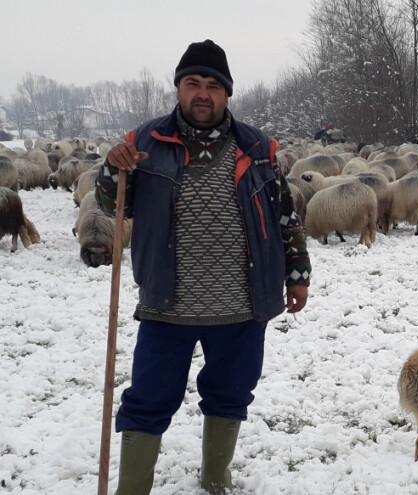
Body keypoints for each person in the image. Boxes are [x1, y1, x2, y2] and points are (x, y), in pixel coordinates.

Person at [95, 39, 311, 494]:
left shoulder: (258, 147)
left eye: (213, 85)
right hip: (166, 302)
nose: (202, 93)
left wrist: (297, 274)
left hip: (242, 303)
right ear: (178, 88)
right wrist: (114, 168)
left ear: (227, 93)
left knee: (230, 394)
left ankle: (216, 477)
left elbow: (285, 215)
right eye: (192, 83)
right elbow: (112, 205)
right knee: (148, 399)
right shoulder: (144, 143)